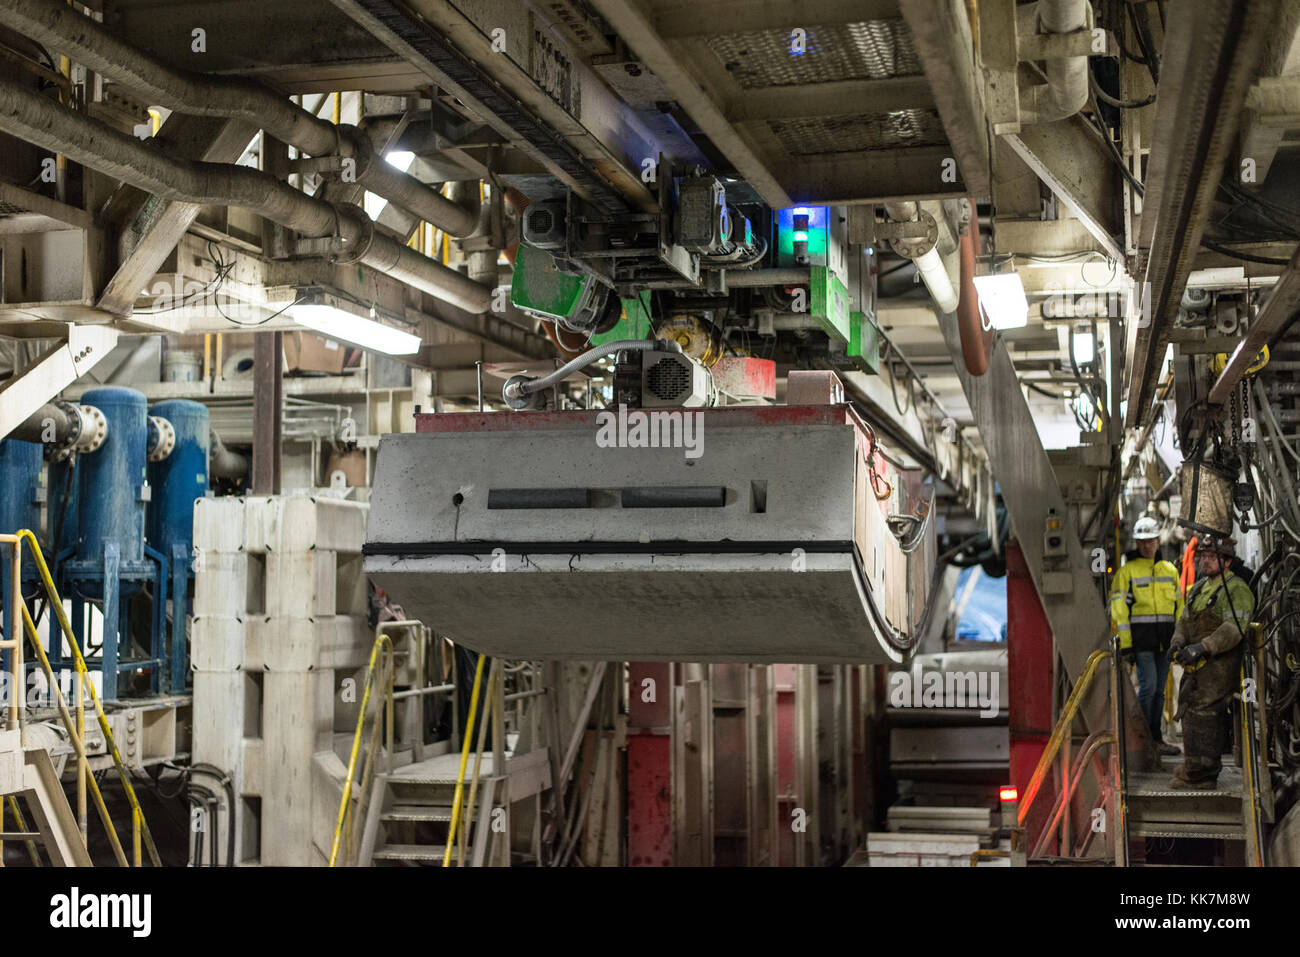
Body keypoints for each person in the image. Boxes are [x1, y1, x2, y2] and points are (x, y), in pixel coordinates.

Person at [1168, 534, 1256, 789]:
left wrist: (1204, 646)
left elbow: (1234, 627)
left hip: (1220, 666)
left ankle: (1204, 774)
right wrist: (1177, 642)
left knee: (1205, 710)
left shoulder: (1236, 589)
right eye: (1203, 556)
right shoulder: (1199, 588)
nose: (1204, 562)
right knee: (1188, 706)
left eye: (1210, 557)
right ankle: (1193, 765)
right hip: (1198, 665)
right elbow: (1184, 620)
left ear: (1227, 562)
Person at [1110, 516, 1182, 755]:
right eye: (1142, 542)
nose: (1146, 546)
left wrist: (1179, 638)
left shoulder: (1170, 570)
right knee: (1149, 687)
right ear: (1137, 544)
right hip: (1141, 642)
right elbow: (1120, 612)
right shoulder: (1126, 573)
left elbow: (1180, 607)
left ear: (1158, 542)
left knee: (1160, 691)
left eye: (1150, 541)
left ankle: (1156, 738)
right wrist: (1127, 646)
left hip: (1165, 642)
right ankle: (1141, 738)